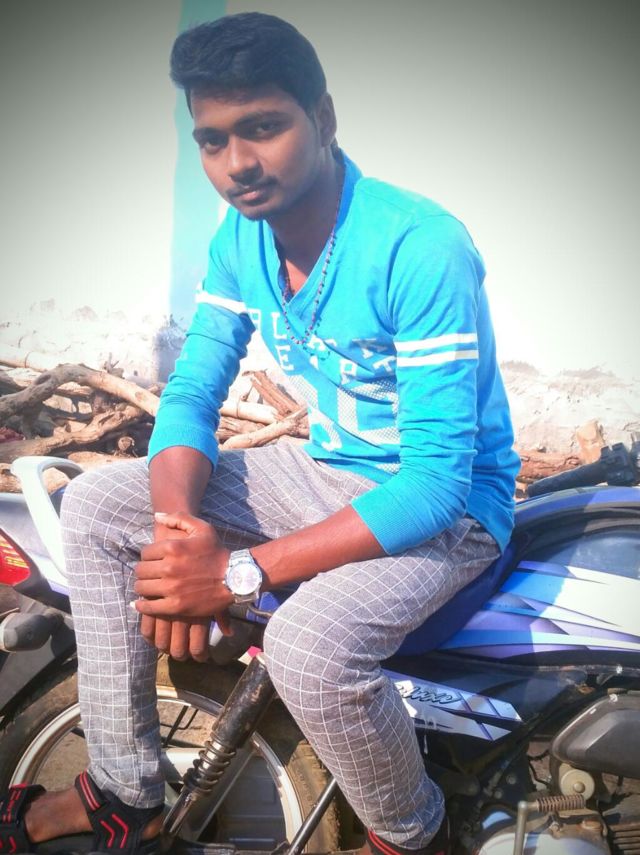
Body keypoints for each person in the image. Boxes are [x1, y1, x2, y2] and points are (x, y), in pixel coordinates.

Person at [0, 12, 520, 855]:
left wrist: (232, 575)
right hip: (327, 470)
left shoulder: (418, 247)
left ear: (323, 118)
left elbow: (434, 485)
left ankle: (411, 833)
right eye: (212, 140)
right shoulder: (242, 237)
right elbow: (192, 393)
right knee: (94, 506)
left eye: (264, 127)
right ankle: (126, 793)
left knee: (309, 647)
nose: (237, 163)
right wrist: (178, 540)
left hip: (451, 511)